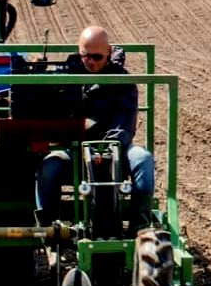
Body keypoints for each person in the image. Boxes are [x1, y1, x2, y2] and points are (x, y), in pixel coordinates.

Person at [35, 24, 154, 215]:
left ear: (108, 52)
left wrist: (106, 148)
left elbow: (125, 121)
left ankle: (140, 225)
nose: (90, 61)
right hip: (72, 148)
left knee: (143, 159)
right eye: (85, 55)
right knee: (49, 167)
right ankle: (49, 227)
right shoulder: (66, 76)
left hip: (113, 147)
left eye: (96, 57)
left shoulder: (122, 81)